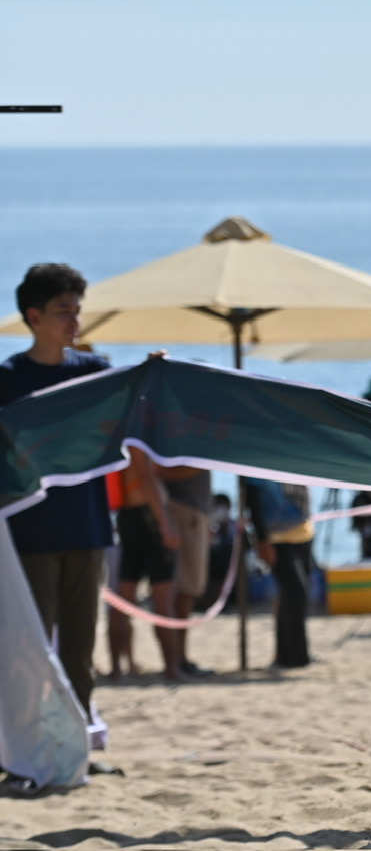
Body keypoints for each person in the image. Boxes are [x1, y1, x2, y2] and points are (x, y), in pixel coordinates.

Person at [0, 264, 114, 719]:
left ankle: (79, 744)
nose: (74, 321)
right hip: (28, 531)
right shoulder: (6, 380)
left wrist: (154, 376)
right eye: (63, 311)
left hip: (88, 525)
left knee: (80, 650)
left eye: (77, 311)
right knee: (28, 650)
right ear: (34, 317)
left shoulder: (96, 372)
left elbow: (136, 417)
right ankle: (27, 749)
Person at [113, 446, 183, 680]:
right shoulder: (137, 436)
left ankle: (116, 668)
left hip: (128, 515)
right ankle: (172, 669)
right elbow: (145, 476)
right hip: (147, 514)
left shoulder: (121, 433)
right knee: (164, 599)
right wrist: (165, 522)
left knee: (124, 595)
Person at [244, 478, 316, 669]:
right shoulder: (260, 459)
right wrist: (262, 540)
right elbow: (252, 499)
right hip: (275, 535)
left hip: (303, 531)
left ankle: (290, 654)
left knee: (292, 596)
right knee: (296, 592)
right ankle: (296, 656)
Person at [157, 466, 215, 677]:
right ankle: (176, 659)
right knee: (183, 589)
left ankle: (180, 658)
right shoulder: (183, 437)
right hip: (183, 510)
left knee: (189, 588)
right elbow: (160, 470)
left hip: (192, 511)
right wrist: (203, 460)